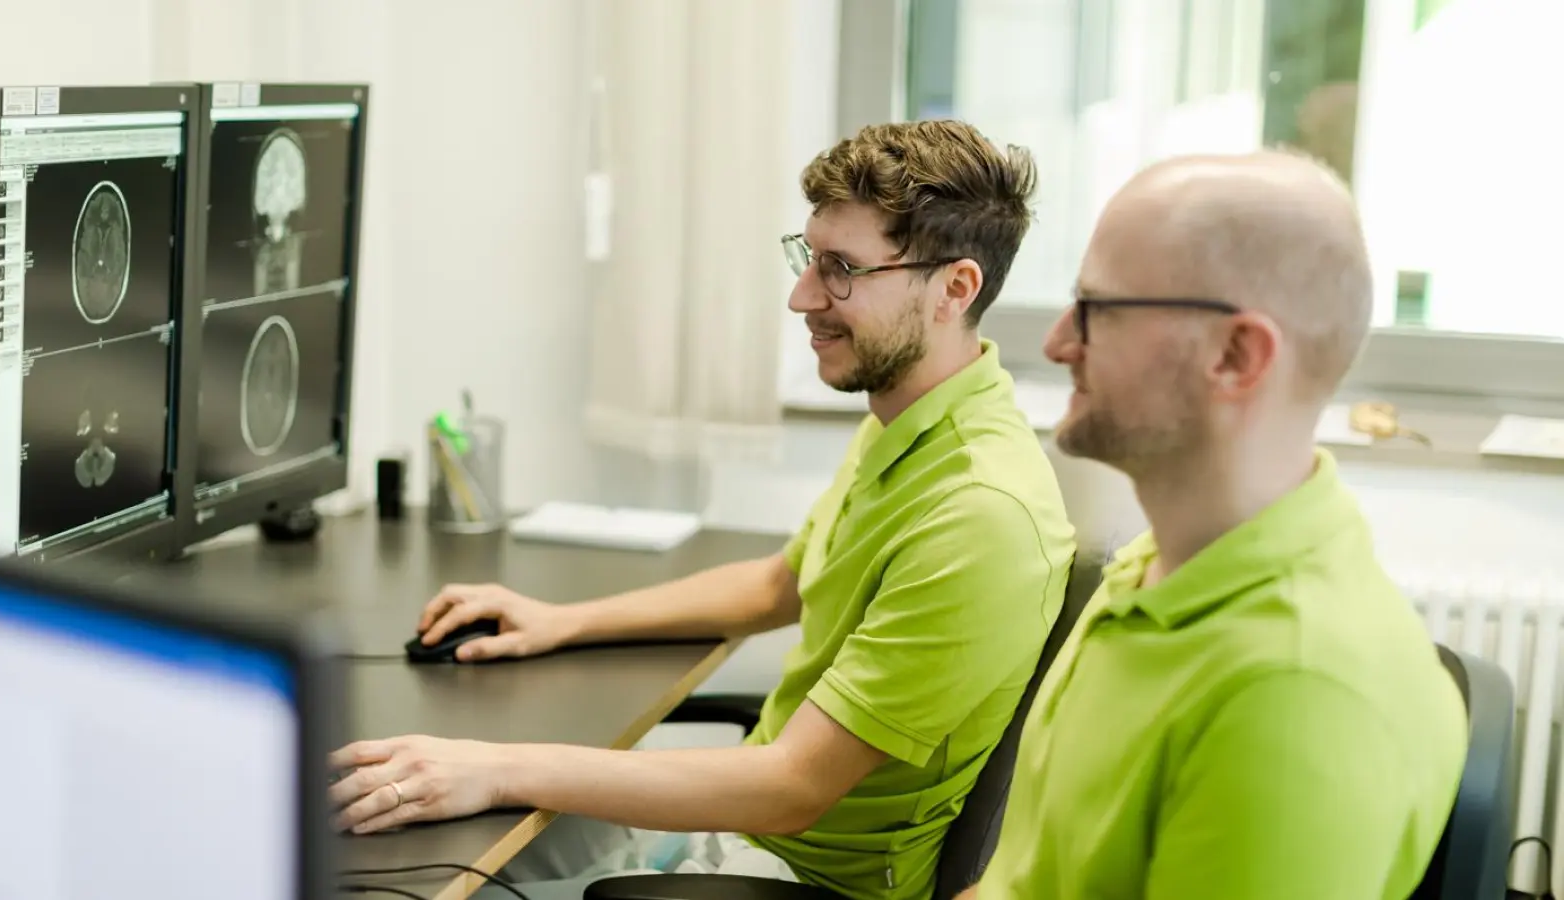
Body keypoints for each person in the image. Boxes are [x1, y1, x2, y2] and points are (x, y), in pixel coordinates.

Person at [329, 120, 1077, 900]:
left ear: (956, 289)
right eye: (808, 257)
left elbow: (795, 784)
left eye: (842, 270)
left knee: (431, 860)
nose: (802, 297)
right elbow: (777, 587)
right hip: (737, 834)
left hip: (796, 874)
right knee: (377, 842)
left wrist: (494, 765)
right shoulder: (911, 417)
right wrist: (559, 621)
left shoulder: (979, 515)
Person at [964, 149, 1468, 899]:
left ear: (1236, 354)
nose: (1058, 342)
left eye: (1098, 310)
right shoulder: (1155, 567)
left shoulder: (1295, 699)